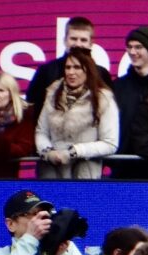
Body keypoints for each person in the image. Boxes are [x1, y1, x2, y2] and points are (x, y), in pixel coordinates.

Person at [35, 47, 119, 179]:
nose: (71, 72)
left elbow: (110, 143)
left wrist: (74, 151)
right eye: (68, 67)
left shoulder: (103, 99)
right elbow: (41, 132)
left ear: (88, 70)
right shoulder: (52, 94)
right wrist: (49, 153)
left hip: (84, 173)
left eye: (77, 67)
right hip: (52, 173)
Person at [26, 16, 112, 120]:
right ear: (65, 40)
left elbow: (109, 113)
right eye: (73, 39)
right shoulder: (46, 71)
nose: (78, 44)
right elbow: (33, 108)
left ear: (91, 44)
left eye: (83, 40)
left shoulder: (101, 74)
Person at [112, 26, 148, 177]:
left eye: (138, 47)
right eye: (129, 47)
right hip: (123, 166)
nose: (132, 52)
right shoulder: (118, 86)